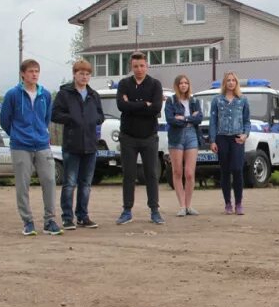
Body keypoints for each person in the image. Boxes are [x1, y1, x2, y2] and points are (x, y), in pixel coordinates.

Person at [0, 59, 62, 236]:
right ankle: (28, 221)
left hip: (42, 144)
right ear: (23, 74)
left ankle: (50, 220)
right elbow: (5, 120)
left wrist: (40, 133)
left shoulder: (46, 95)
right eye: (30, 71)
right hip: (20, 146)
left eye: (37, 71)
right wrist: (17, 135)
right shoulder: (12, 94)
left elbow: (46, 118)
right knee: (23, 184)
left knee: (49, 180)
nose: (34, 74)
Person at [51, 59, 105, 229]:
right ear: (74, 74)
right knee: (69, 183)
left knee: (86, 184)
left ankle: (83, 216)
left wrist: (93, 119)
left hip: (90, 145)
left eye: (87, 74)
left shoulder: (93, 95)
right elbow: (55, 114)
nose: (84, 77)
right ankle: (68, 217)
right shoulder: (64, 94)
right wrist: (72, 118)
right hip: (71, 144)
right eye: (81, 73)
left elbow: (101, 115)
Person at [115, 51, 165, 225]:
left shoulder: (155, 85)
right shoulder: (123, 84)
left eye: (142, 65)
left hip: (149, 137)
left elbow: (156, 107)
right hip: (128, 137)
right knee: (128, 174)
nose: (139, 69)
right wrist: (145, 103)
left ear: (147, 65)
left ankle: (154, 210)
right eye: (135, 66)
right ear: (131, 66)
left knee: (151, 174)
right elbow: (121, 106)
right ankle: (127, 210)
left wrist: (132, 105)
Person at [209, 71, 251, 215]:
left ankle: (239, 203)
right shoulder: (217, 100)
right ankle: (228, 203)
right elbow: (213, 122)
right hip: (222, 137)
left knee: (237, 169)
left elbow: (247, 121)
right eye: (228, 80)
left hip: (237, 138)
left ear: (236, 83)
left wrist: (245, 135)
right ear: (224, 83)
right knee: (225, 171)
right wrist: (213, 140)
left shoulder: (243, 100)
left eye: (233, 80)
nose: (231, 83)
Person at [165, 74, 204, 217]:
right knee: (177, 172)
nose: (183, 85)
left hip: (192, 135)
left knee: (189, 172)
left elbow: (199, 118)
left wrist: (185, 118)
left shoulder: (194, 100)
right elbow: (171, 120)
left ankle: (189, 205)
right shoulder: (171, 101)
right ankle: (181, 206)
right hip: (176, 136)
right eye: (181, 83)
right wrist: (190, 118)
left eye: (186, 83)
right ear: (177, 85)